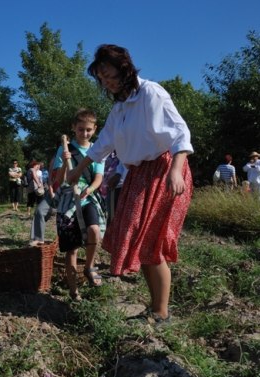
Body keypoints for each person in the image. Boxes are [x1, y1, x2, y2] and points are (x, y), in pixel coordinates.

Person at [68, 44, 193, 323]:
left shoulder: (151, 92)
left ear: (125, 69)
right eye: (102, 79)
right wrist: (79, 169)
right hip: (139, 174)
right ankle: (154, 308)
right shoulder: (121, 108)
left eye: (110, 76)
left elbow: (180, 132)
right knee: (140, 239)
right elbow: (103, 144)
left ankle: (161, 312)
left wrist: (175, 170)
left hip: (163, 170)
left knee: (153, 241)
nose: (107, 83)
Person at [54, 109, 105, 301]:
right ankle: (74, 291)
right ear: (73, 128)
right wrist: (66, 162)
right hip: (68, 200)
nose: (84, 133)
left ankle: (90, 266)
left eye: (89, 130)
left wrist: (90, 189)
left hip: (88, 198)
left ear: (94, 129)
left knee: (94, 229)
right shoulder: (65, 148)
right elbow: (60, 179)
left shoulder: (97, 150)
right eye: (81, 129)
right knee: (72, 249)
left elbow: (99, 177)